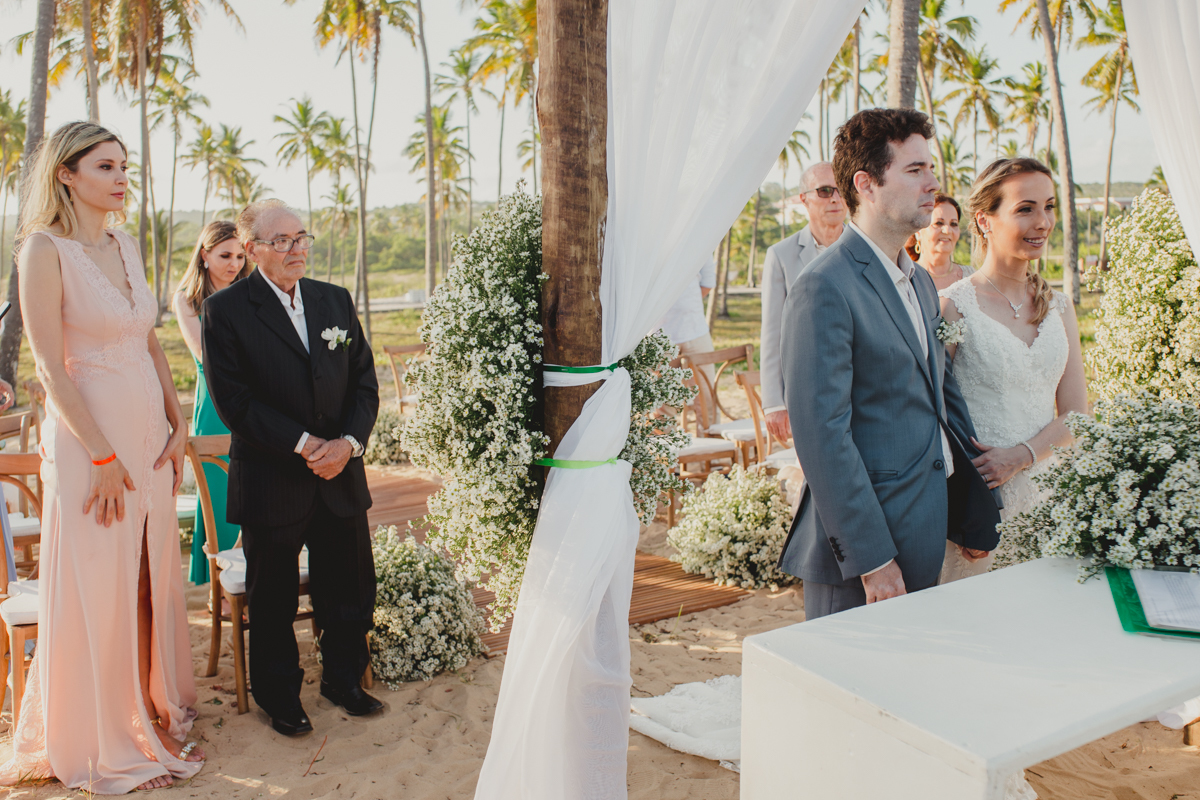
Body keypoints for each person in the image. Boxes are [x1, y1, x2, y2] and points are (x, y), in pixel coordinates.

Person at [1, 121, 203, 793]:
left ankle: (148, 711)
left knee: (148, 578)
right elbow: (50, 369)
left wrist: (177, 423)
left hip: (150, 443)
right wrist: (101, 455)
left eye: (124, 165)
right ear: (67, 174)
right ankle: (102, 742)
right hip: (91, 448)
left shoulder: (125, 244)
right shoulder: (42, 250)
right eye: (106, 166)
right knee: (101, 587)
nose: (122, 177)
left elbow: (148, 342)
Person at [777, 108, 1000, 619]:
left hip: (926, 524)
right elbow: (821, 435)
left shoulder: (921, 282)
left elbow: (939, 396)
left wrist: (970, 509)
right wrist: (872, 558)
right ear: (866, 184)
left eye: (932, 169)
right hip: (863, 552)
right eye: (915, 169)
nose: (933, 183)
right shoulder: (823, 287)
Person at [201, 199, 381, 736]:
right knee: (273, 598)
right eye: (282, 241)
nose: (296, 248)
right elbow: (235, 402)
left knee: (348, 588)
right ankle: (280, 697)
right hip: (273, 477)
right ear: (252, 249)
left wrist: (347, 443)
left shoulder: (334, 300)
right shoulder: (226, 310)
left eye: (301, 237)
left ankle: (343, 681)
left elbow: (365, 383)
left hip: (341, 474)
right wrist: (307, 445)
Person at [937, 158, 1087, 582]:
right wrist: (963, 511)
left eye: (1049, 206)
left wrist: (1023, 456)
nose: (1043, 222)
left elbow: (1076, 413)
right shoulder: (953, 306)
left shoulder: (1060, 307)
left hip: (1054, 499)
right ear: (985, 220)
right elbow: (935, 418)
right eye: (1025, 208)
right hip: (982, 507)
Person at [173, 220, 250, 585]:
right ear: (204, 255)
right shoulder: (187, 300)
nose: (233, 263)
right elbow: (205, 355)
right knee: (219, 495)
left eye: (239, 255)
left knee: (258, 492)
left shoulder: (252, 293)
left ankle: (255, 579)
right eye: (224, 255)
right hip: (216, 408)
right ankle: (221, 587)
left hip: (259, 404)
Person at [760, 162, 846, 443]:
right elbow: (773, 333)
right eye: (824, 191)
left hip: (862, 390)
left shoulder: (867, 248)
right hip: (807, 393)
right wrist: (774, 403)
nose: (834, 198)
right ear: (804, 199)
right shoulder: (781, 256)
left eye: (840, 189)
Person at [657, 258, 717, 417]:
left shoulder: (699, 237)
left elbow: (708, 283)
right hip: (659, 335)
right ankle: (663, 440)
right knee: (663, 406)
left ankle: (710, 439)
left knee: (707, 401)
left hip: (696, 331)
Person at [905, 193, 975, 291]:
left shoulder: (971, 277)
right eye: (939, 223)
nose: (947, 230)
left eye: (953, 224)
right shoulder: (905, 277)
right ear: (918, 232)